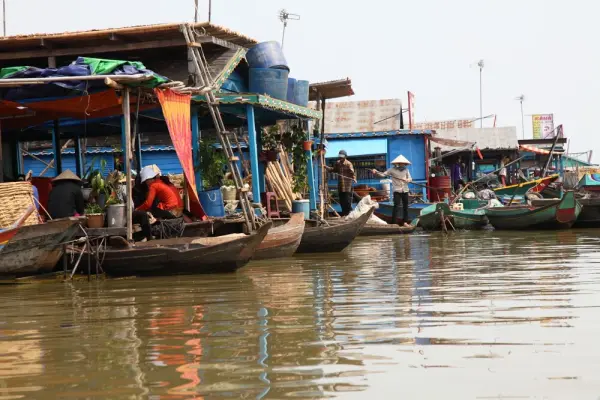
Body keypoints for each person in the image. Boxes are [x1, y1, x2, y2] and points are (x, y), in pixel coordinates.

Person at [372, 155, 412, 227]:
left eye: (403, 163)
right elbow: (383, 175)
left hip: (405, 190)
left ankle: (405, 222)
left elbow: (410, 178)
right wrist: (376, 172)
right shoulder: (392, 170)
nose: (402, 164)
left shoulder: (406, 170)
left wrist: (407, 180)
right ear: (398, 163)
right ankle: (394, 223)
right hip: (397, 190)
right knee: (396, 206)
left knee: (405, 207)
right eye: (401, 163)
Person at [325, 150, 356, 216]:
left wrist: (354, 178)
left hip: (347, 186)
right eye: (340, 157)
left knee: (347, 201)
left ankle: (349, 214)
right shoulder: (337, 163)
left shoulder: (348, 164)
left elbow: (352, 172)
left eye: (342, 157)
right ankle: (345, 214)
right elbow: (333, 170)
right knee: (342, 201)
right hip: (340, 185)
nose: (341, 158)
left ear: (345, 157)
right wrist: (326, 167)